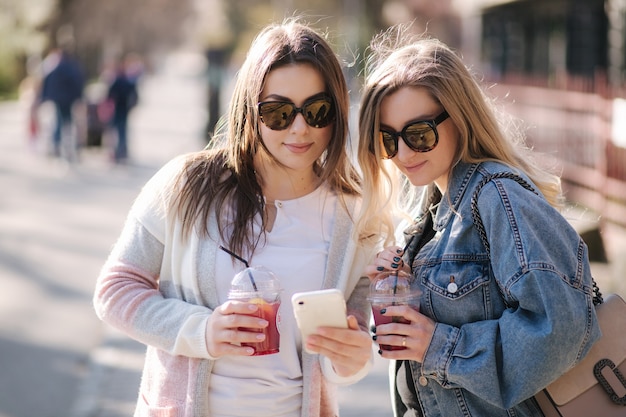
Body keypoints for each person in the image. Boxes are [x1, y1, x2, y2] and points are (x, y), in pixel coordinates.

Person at [93, 19, 379, 417]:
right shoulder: (186, 185)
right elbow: (115, 289)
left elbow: (345, 350)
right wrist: (203, 331)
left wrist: (353, 359)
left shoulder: (357, 219)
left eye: (317, 110)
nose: (300, 128)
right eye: (278, 112)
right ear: (250, 109)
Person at [356, 26, 601, 417]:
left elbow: (559, 329)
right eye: (388, 139)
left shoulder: (498, 197)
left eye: (419, 134)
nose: (402, 153)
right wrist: (397, 288)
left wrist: (436, 345)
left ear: (460, 117)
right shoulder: (432, 214)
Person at [40, 45, 85, 160]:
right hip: (69, 100)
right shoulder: (72, 68)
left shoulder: (55, 68)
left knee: (59, 121)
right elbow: (79, 83)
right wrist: (79, 98)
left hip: (58, 99)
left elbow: (46, 83)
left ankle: (57, 144)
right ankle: (68, 145)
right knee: (67, 121)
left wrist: (44, 98)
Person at [106, 56, 139, 163]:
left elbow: (109, 94)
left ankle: (118, 151)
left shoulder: (117, 80)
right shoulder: (128, 80)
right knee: (122, 131)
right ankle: (121, 151)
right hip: (122, 109)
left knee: (117, 131)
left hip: (118, 109)